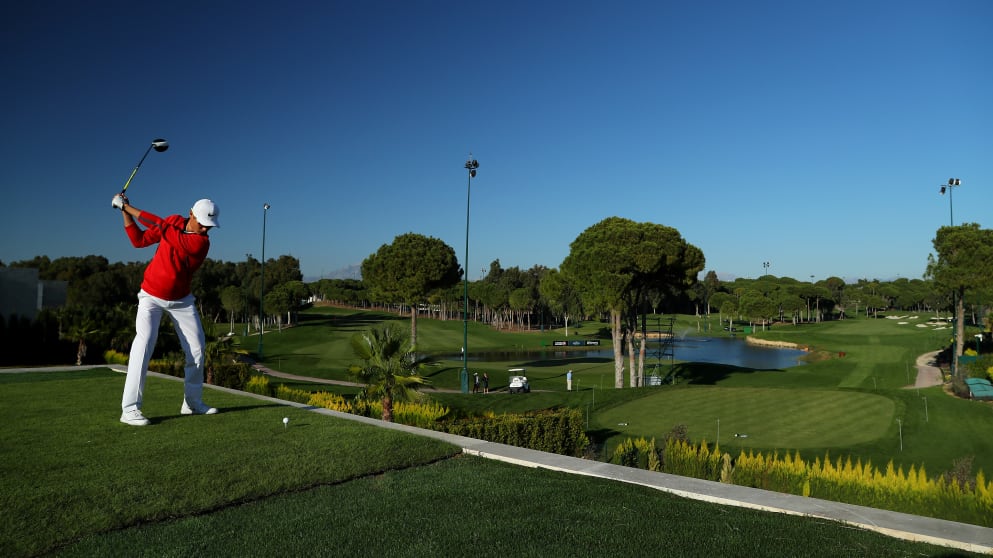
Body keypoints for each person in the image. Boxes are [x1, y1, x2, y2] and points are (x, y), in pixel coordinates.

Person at [112, 193, 220, 426]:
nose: (205, 229)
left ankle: (192, 404)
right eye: (202, 224)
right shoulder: (173, 221)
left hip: (182, 301)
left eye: (209, 226)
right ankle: (129, 409)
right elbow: (139, 240)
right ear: (191, 214)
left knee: (197, 349)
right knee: (143, 345)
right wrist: (124, 211)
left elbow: (161, 226)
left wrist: (128, 207)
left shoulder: (201, 243)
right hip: (151, 296)